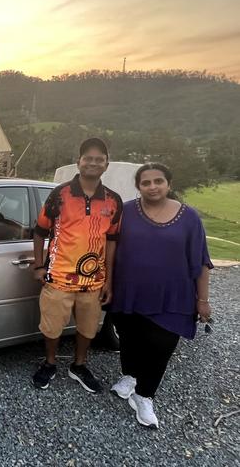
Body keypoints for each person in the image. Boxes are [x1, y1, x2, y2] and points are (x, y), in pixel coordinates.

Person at [108, 163, 213, 429]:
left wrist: (203, 300)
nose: (153, 186)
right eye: (146, 182)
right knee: (129, 339)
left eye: (158, 181)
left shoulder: (189, 217)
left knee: (161, 345)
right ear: (138, 186)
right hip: (129, 292)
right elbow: (109, 249)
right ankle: (129, 376)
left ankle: (145, 396)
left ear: (169, 184)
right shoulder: (126, 212)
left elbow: (201, 261)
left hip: (174, 296)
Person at [32, 138, 122, 392]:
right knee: (51, 326)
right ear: (79, 162)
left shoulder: (113, 201)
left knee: (88, 328)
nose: (93, 163)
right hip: (58, 277)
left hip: (93, 281)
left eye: (99, 159)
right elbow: (39, 232)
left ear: (106, 165)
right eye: (88, 158)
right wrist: (39, 266)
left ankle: (79, 365)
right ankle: (50, 363)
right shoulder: (59, 195)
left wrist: (109, 280)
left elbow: (112, 241)